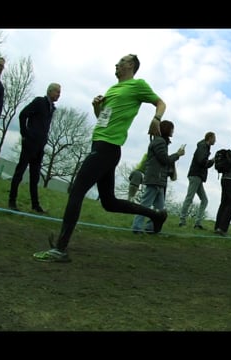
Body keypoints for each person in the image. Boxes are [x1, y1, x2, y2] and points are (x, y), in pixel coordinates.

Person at [32, 54, 168, 263]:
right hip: (101, 146)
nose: (117, 64)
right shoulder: (113, 89)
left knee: (76, 190)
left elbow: (160, 102)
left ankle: (60, 249)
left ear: (130, 65)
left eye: (121, 62)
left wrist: (156, 119)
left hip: (108, 148)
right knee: (109, 202)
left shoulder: (138, 85)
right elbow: (103, 120)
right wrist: (97, 107)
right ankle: (156, 215)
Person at [8, 82, 61, 213]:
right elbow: (23, 114)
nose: (59, 94)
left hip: (40, 146)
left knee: (35, 176)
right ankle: (12, 200)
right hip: (30, 143)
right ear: (50, 91)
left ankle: (35, 204)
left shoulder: (51, 108)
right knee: (20, 172)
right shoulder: (39, 102)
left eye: (60, 92)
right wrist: (24, 133)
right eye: (57, 92)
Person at [132, 120, 184, 234]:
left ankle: (151, 229)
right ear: (167, 129)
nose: (173, 131)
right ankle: (136, 227)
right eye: (172, 129)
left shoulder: (161, 141)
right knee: (145, 205)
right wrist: (177, 155)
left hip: (159, 180)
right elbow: (164, 160)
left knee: (159, 209)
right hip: (155, 178)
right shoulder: (160, 142)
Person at [179, 131, 216, 230]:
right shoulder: (203, 147)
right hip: (196, 175)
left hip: (198, 176)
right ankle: (182, 221)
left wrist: (211, 161)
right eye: (214, 138)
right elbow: (202, 162)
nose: (215, 140)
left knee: (204, 200)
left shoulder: (204, 147)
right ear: (210, 138)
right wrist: (212, 160)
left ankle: (197, 223)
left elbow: (203, 162)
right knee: (189, 198)